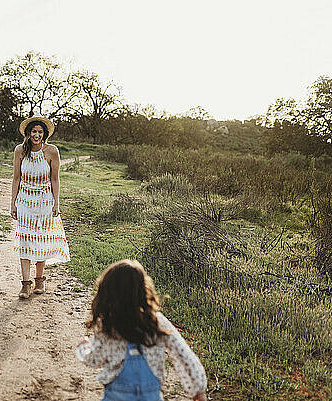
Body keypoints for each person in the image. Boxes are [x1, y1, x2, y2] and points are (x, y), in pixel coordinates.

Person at [76, 259, 207, 401]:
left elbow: (94, 360)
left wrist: (83, 348)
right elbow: (184, 354)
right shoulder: (157, 322)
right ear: (144, 289)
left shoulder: (109, 326)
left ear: (107, 293)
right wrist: (198, 389)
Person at [11, 114, 70, 299]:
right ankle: (25, 284)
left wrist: (56, 203)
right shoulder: (20, 150)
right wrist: (12, 203)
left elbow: (55, 179)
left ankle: (39, 280)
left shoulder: (52, 151)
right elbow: (16, 178)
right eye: (34, 131)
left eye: (40, 132)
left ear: (44, 134)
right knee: (26, 241)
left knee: (42, 240)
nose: (37, 135)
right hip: (25, 201)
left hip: (45, 201)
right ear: (28, 133)